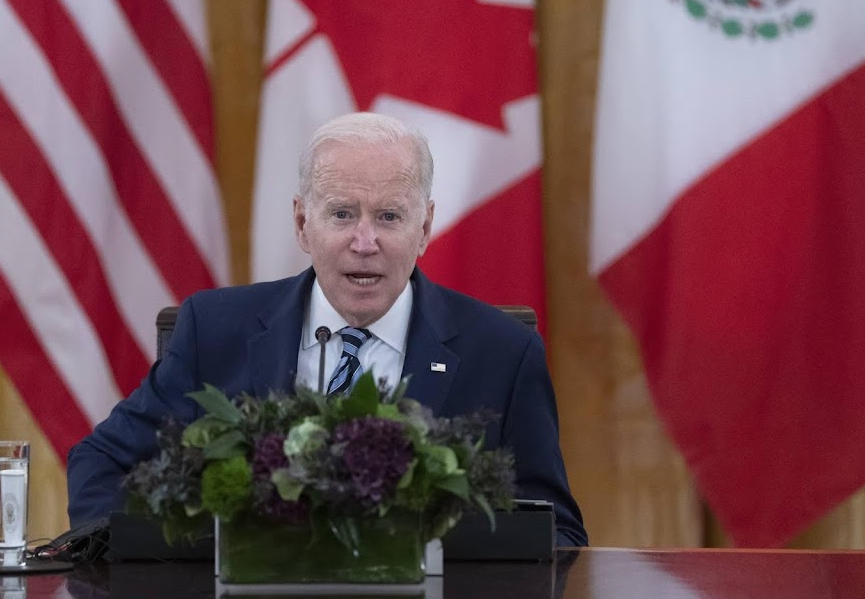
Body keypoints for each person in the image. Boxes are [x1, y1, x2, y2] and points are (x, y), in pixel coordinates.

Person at [67, 112, 587, 546]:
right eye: (341, 214)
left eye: (388, 216)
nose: (365, 242)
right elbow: (102, 464)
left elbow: (556, 531)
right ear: (301, 224)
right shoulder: (214, 330)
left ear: (424, 228)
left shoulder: (501, 353)